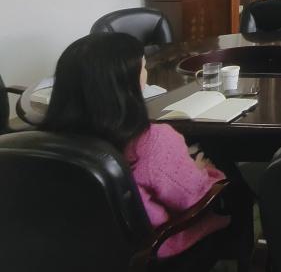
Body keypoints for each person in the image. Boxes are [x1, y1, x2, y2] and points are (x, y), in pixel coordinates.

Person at [39, 33, 230, 259]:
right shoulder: (152, 140)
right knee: (233, 187)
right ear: (128, 83)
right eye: (143, 67)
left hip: (76, 251)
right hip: (149, 252)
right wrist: (204, 171)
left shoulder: (43, 141)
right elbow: (192, 198)